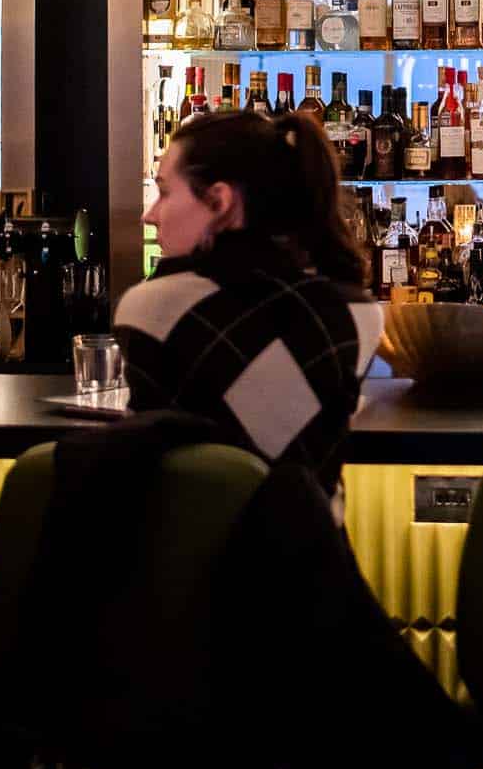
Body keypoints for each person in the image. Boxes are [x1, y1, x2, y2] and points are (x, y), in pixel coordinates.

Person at [119, 109, 382, 520]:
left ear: (220, 202)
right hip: (315, 573)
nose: (149, 214)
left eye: (166, 192)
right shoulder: (358, 313)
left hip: (187, 572)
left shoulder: (150, 309)